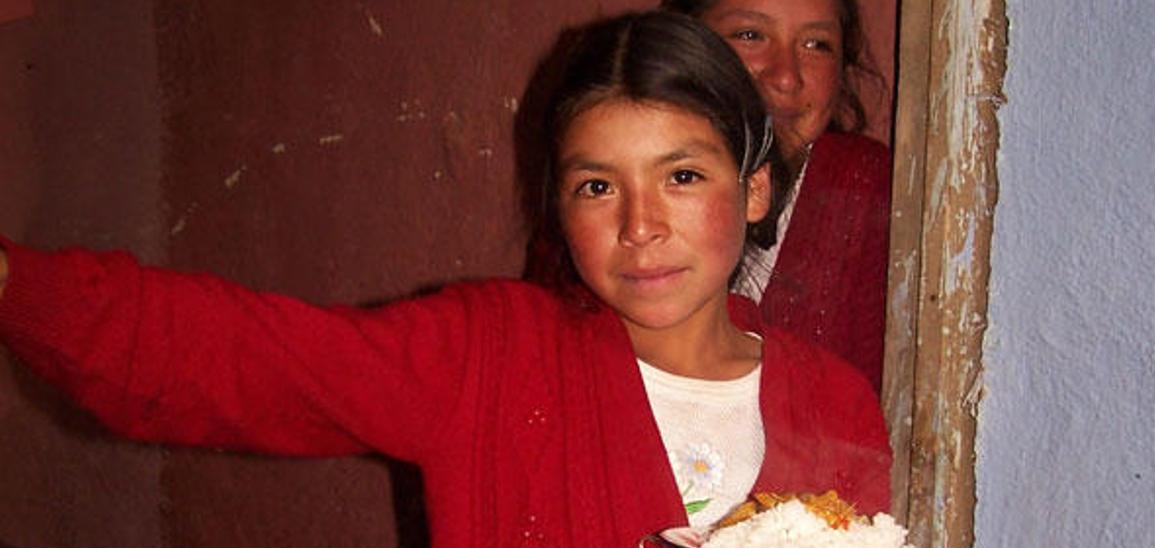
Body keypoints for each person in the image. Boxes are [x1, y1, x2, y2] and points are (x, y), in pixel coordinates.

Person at [0, 11, 888, 547]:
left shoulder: (835, 405)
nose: (641, 226)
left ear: (756, 184)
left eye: (683, 176)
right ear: (557, 206)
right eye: (596, 186)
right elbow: (232, 356)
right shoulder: (489, 356)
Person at [662, 0, 893, 393]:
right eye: (750, 36)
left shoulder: (864, 188)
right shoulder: (610, 177)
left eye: (817, 45)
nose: (786, 77)